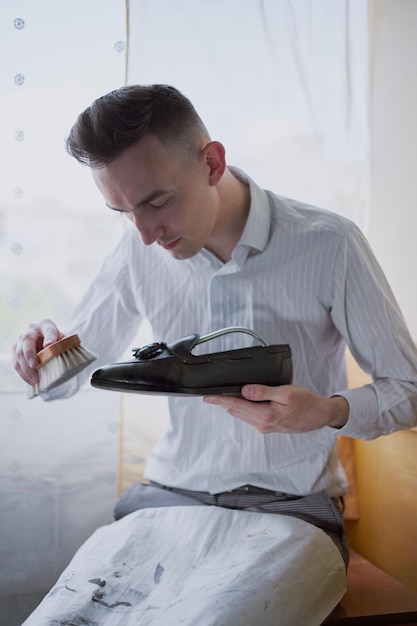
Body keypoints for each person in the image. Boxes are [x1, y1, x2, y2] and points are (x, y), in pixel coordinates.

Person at [12, 85, 417, 625]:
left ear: (212, 162)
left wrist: (328, 411)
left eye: (157, 202)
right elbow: (64, 378)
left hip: (290, 510)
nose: (147, 234)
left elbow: (408, 390)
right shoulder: (138, 248)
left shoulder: (330, 245)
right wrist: (41, 349)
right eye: (123, 212)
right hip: (167, 501)